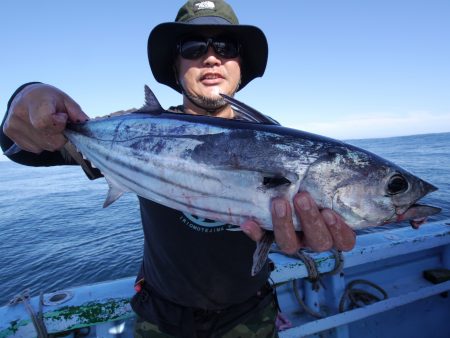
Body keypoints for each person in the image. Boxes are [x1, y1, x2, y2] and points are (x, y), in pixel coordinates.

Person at [1, 1, 356, 337]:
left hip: (250, 314)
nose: (212, 57)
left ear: (241, 65)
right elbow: (25, 150)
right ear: (175, 66)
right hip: (161, 317)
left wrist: (297, 236)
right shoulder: (135, 132)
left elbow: (292, 223)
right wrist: (26, 96)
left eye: (227, 46)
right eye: (192, 47)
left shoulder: (281, 143)